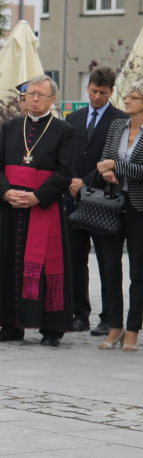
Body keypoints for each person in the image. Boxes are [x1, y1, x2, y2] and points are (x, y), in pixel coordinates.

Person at [0, 75, 75, 346]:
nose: (34, 99)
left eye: (40, 95)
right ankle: (11, 325)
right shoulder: (12, 126)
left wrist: (38, 197)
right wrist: (5, 192)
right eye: (30, 94)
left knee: (47, 267)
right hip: (12, 207)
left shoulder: (64, 130)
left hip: (43, 208)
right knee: (9, 264)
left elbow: (64, 172)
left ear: (52, 99)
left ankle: (51, 328)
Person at [67, 66, 125, 336]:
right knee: (76, 259)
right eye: (93, 91)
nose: (97, 97)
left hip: (103, 199)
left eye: (102, 93)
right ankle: (80, 314)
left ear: (111, 92)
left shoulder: (120, 120)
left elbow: (116, 159)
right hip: (74, 199)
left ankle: (110, 318)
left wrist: (87, 180)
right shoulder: (74, 117)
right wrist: (71, 180)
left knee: (108, 262)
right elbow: (67, 154)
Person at [94, 79, 143, 351]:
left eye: (134, 97)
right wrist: (107, 170)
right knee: (110, 267)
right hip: (113, 203)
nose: (127, 100)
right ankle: (115, 325)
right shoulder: (117, 126)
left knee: (139, 271)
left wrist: (118, 166)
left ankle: (133, 328)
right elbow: (104, 158)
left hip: (139, 208)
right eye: (127, 96)